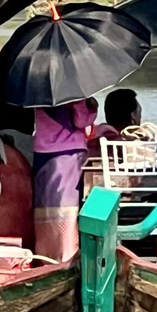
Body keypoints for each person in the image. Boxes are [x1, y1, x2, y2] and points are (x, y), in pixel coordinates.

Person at [32, 97, 97, 262]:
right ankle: (67, 256)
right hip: (68, 152)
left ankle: (45, 254)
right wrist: (91, 107)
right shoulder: (72, 94)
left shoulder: (38, 93)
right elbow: (82, 121)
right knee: (67, 207)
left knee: (45, 205)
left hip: (42, 151)